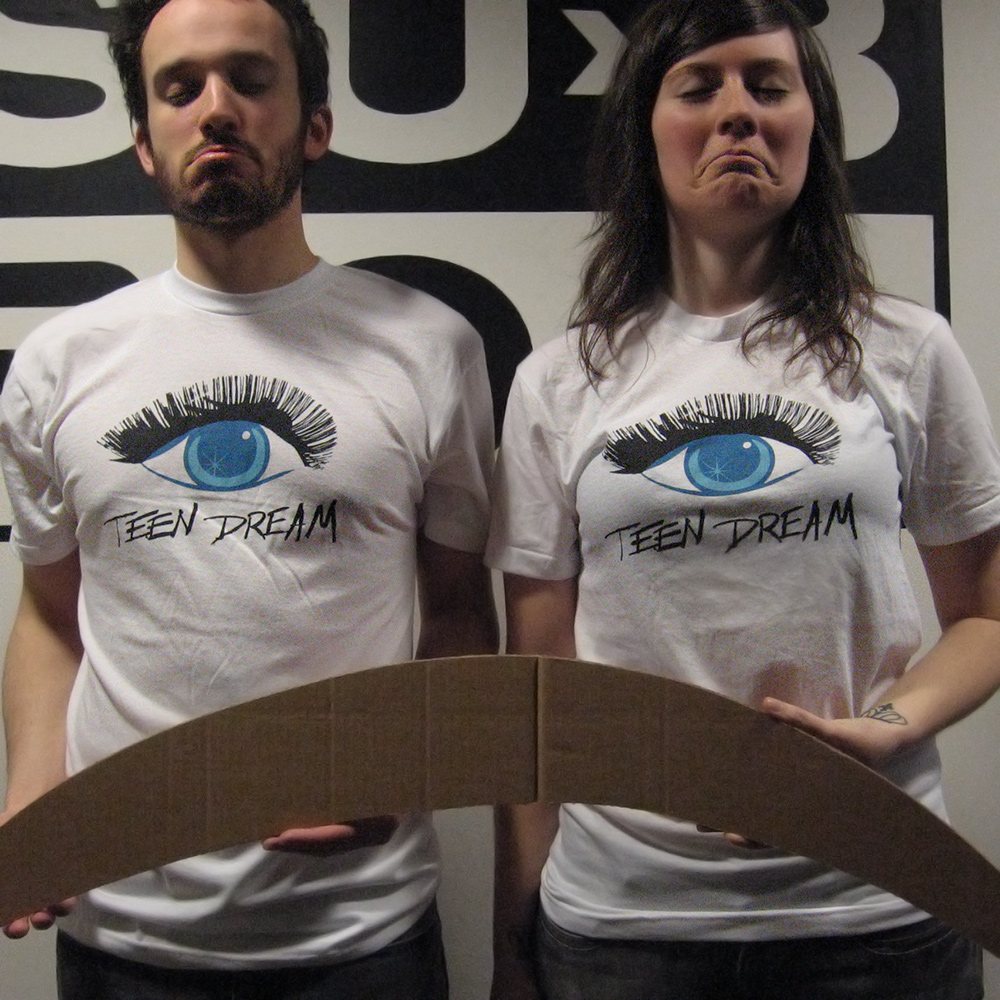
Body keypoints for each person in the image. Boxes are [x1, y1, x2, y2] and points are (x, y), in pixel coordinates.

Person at [486, 1, 1000, 998]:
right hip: (627, 925)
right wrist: (513, 935)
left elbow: (985, 614)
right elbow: (538, 691)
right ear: (646, 129)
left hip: (874, 907)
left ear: (811, 125)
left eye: (768, 87)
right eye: (699, 87)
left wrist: (889, 725)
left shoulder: (907, 348)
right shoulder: (558, 382)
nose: (738, 114)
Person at [0, 0, 497, 997]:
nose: (215, 108)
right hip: (122, 931)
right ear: (145, 143)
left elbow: (455, 613)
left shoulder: (430, 347)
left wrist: (404, 770)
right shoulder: (59, 363)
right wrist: (32, 788)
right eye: (180, 88)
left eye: (250, 79)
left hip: (360, 938)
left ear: (315, 124)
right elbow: (53, 615)